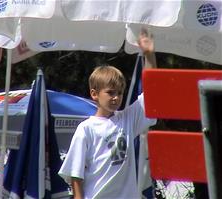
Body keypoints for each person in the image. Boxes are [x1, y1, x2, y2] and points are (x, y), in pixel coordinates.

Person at [58, 29, 157, 199]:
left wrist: (149, 55)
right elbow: (75, 174)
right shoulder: (86, 129)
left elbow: (152, 91)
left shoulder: (128, 119)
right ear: (94, 94)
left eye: (120, 92)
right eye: (110, 92)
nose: (116, 97)